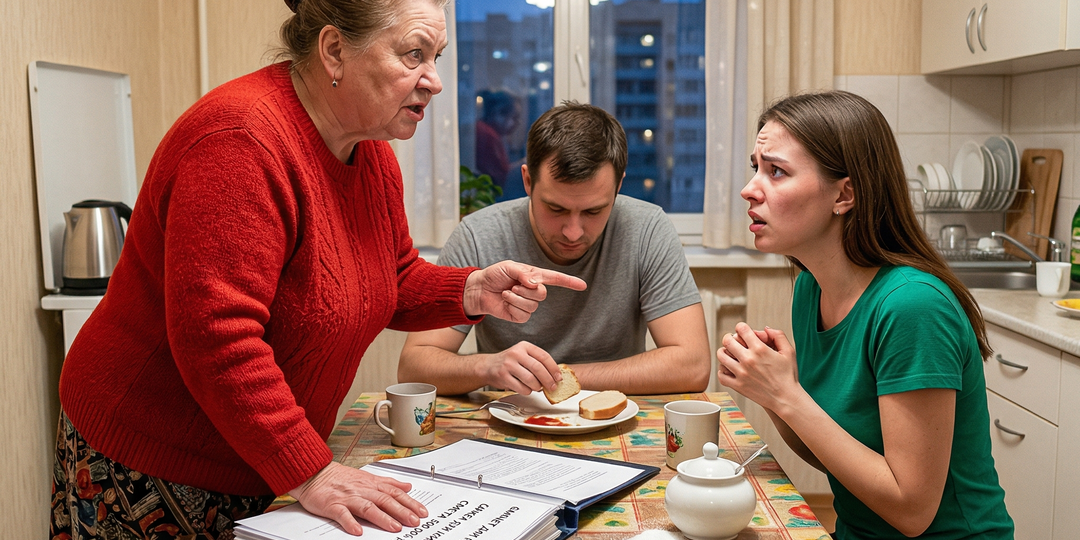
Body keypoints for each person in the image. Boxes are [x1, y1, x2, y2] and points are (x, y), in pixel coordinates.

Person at [50, 0, 586, 538]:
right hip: (150, 457)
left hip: (254, 455)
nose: (435, 81)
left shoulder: (369, 150)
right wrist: (312, 471)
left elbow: (389, 277)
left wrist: (472, 290)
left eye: (437, 57)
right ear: (334, 51)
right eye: (414, 55)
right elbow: (218, 339)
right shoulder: (239, 141)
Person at [716, 91, 1013, 539]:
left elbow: (912, 511)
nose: (750, 188)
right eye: (756, 168)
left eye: (776, 171)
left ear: (845, 194)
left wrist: (786, 396)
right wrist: (777, 394)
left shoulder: (912, 307)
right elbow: (841, 457)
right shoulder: (810, 288)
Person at [399, 101, 711, 396]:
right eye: (555, 208)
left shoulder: (647, 229)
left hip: (610, 421)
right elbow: (413, 368)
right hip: (508, 427)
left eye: (593, 211)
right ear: (527, 181)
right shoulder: (477, 237)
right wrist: (488, 367)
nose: (573, 232)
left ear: (618, 187)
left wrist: (556, 378)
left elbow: (693, 365)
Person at [474, 89, 521, 189]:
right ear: (498, 113)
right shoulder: (487, 135)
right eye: (514, 117)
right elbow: (500, 177)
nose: (517, 123)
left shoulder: (490, 132)